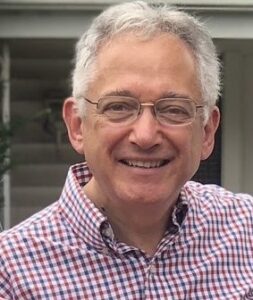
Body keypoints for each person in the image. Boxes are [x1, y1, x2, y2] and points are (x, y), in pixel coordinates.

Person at [1, 1, 253, 299]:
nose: (145, 136)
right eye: (119, 107)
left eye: (173, 110)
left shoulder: (245, 232)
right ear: (78, 125)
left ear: (207, 131)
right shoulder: (12, 274)